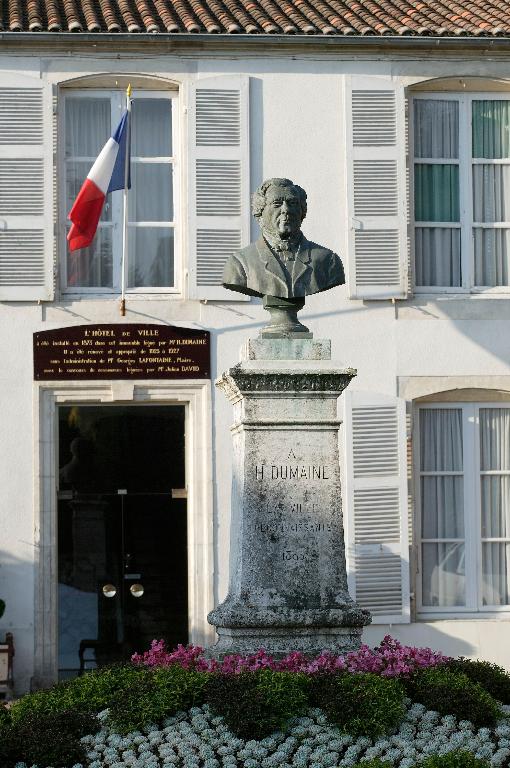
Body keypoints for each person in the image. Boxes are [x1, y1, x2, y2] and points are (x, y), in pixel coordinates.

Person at [222, 178, 345, 301]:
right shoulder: (240, 263)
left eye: (292, 203)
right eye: (277, 204)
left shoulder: (328, 261)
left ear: (302, 210)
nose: (286, 209)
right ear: (260, 213)